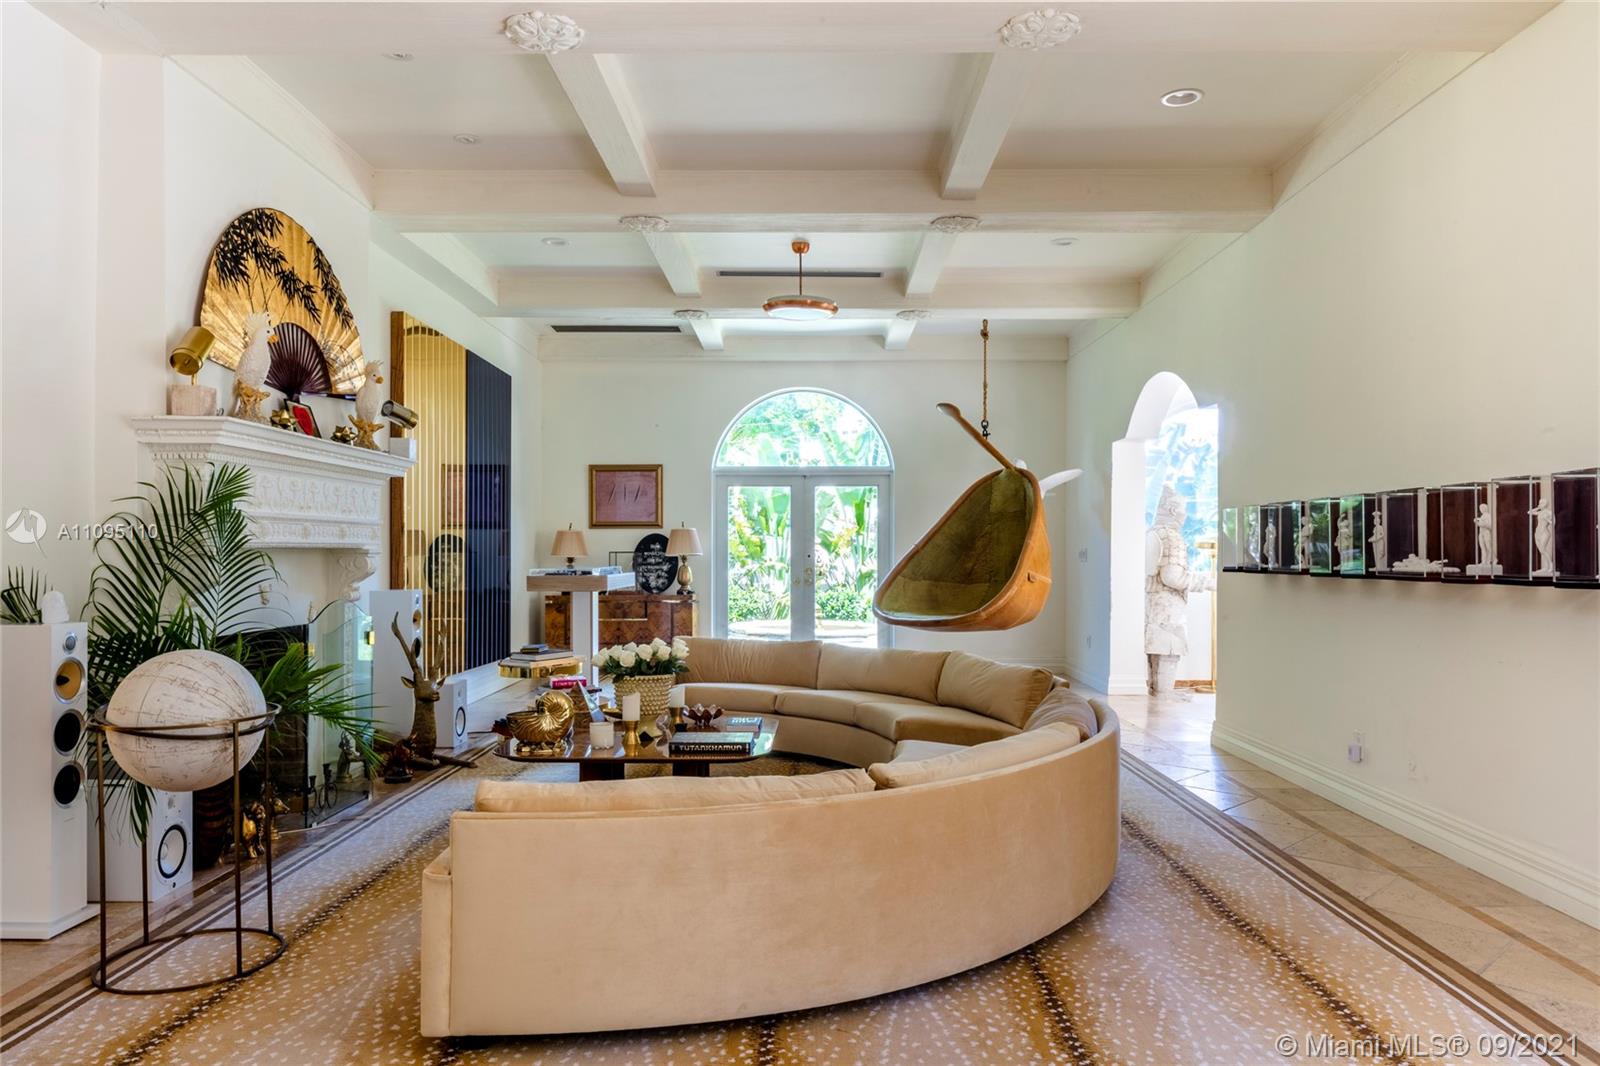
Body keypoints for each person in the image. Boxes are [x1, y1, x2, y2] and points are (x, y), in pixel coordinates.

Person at [1145, 485, 1213, 695]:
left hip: (1151, 602)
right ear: (1173, 510)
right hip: (1168, 605)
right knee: (1169, 650)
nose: (1185, 514)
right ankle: (1163, 698)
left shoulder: (1152, 533)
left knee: (1156, 653)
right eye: (1184, 508)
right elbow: (1172, 577)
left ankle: (1157, 696)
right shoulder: (1171, 537)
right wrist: (1207, 582)